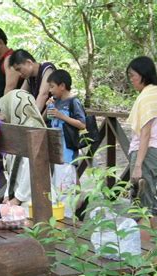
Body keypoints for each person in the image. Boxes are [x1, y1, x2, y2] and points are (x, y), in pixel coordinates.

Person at [126, 56, 157, 238]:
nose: (131, 80)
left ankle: (141, 261)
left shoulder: (147, 97)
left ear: (143, 74)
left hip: (147, 155)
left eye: (133, 75)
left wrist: (138, 165)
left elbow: (145, 133)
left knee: (141, 211)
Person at [45, 69, 86, 217]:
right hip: (56, 151)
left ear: (62, 86)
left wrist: (62, 116)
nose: (50, 91)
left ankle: (67, 218)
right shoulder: (56, 102)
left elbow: (82, 124)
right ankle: (70, 211)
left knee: (64, 189)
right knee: (58, 187)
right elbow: (50, 120)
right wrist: (49, 108)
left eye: (52, 86)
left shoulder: (74, 102)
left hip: (68, 152)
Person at [0, 89, 47, 207]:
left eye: (5, 109)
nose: (4, 115)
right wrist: (7, 195)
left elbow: (31, 170)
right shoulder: (21, 128)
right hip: (22, 197)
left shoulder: (30, 131)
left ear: (13, 108)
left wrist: (17, 198)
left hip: (32, 201)